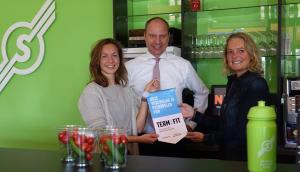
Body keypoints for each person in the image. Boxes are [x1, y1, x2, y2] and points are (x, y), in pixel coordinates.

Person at [178, 32, 271, 161]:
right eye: (230, 52)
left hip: (246, 158)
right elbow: (225, 124)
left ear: (251, 54)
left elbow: (243, 129)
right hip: (228, 155)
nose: (235, 56)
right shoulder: (233, 82)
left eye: (241, 51)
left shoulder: (256, 84)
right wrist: (194, 115)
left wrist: (207, 138)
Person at [125, 17, 209, 157]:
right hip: (141, 138)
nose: (157, 41)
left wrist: (190, 125)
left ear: (168, 37)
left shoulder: (183, 65)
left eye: (162, 36)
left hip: (175, 137)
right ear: (144, 36)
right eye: (152, 35)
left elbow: (202, 93)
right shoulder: (129, 68)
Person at [78, 38, 159, 155]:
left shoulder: (125, 88)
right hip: (106, 158)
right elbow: (102, 135)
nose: (111, 60)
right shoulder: (92, 92)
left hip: (130, 158)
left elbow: (138, 128)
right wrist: (139, 139)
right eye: (104, 56)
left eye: (114, 55)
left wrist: (146, 95)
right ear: (97, 61)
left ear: (120, 59)